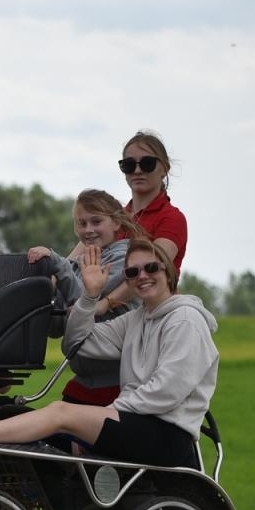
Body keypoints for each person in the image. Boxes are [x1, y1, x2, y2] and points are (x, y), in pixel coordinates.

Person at [0, 236, 217, 469]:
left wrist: (107, 414)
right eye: (132, 272)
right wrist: (90, 296)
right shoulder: (136, 320)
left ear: (169, 272)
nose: (142, 276)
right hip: (136, 422)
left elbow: (167, 391)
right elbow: (77, 344)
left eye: (151, 268)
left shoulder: (186, 320)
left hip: (167, 434)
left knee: (62, 413)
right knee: (20, 419)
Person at [61, 130, 190, 408]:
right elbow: (70, 262)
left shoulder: (171, 219)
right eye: (129, 165)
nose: (137, 171)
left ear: (164, 168)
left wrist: (103, 303)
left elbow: (147, 273)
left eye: (147, 163)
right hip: (100, 323)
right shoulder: (108, 218)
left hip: (141, 323)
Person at [25, 188, 145, 314]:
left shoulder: (123, 259)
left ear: (116, 223)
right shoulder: (82, 260)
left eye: (96, 222)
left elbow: (84, 301)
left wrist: (56, 262)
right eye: (82, 223)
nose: (88, 230)